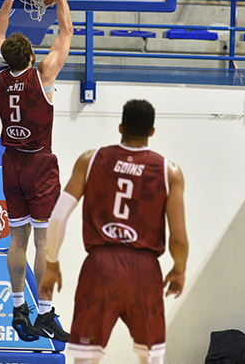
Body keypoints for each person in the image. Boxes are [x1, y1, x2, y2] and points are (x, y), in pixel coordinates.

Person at [39, 99, 188, 364]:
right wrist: (179, 269)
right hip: (144, 271)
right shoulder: (169, 171)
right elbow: (178, 237)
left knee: (86, 358)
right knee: (151, 358)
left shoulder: (91, 159)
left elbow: (58, 217)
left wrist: (52, 263)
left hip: (100, 267)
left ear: (120, 126)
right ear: (152, 132)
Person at [0, 0, 73, 343]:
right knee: (43, 243)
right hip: (39, 164)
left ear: (6, 56)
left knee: (17, 239)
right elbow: (66, 33)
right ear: (32, 55)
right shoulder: (44, 75)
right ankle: (45, 313)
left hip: (10, 163)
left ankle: (19, 307)